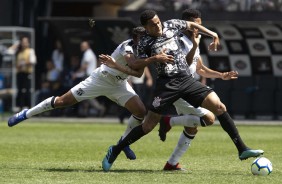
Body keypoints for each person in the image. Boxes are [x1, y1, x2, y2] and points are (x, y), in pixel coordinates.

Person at [102, 9, 263, 172]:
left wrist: (212, 33)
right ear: (146, 27)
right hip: (166, 85)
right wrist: (155, 58)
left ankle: (242, 149)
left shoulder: (170, 25)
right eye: (153, 24)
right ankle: (115, 150)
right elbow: (136, 65)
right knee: (149, 125)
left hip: (186, 79)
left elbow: (192, 24)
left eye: (158, 22)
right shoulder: (144, 42)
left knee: (219, 107)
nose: (158, 26)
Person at [7, 27, 173, 156]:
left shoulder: (144, 50)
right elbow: (134, 64)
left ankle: (123, 143)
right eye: (143, 38)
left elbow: (138, 72)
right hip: (100, 79)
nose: (146, 41)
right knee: (62, 102)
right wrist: (154, 59)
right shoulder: (127, 46)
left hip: (119, 84)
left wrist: (120, 65)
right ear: (136, 38)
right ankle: (26, 113)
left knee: (140, 111)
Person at [161, 9, 238, 171]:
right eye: (195, 25)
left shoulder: (194, 41)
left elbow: (200, 68)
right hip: (178, 87)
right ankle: (168, 120)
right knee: (209, 118)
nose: (198, 29)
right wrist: (195, 44)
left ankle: (172, 164)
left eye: (200, 25)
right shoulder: (179, 42)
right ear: (187, 25)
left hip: (189, 87)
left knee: (191, 127)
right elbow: (183, 64)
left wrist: (221, 75)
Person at [8, 36, 37, 111]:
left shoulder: (30, 50)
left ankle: (29, 107)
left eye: (26, 42)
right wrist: (17, 44)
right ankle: (20, 107)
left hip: (27, 73)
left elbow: (33, 61)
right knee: (20, 90)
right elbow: (9, 51)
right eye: (23, 42)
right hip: (19, 74)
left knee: (27, 90)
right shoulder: (18, 51)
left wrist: (23, 64)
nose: (24, 44)